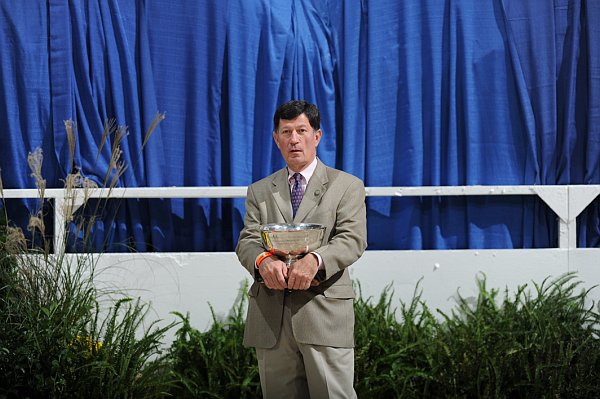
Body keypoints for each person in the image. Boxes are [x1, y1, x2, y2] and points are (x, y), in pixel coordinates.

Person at [236, 100, 367, 399]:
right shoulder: (258, 191)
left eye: (301, 130)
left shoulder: (347, 186)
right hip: (271, 318)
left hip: (324, 315)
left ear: (317, 136)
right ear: (276, 138)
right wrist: (262, 261)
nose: (294, 139)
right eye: (286, 132)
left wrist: (316, 261)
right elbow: (247, 240)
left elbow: (352, 239)